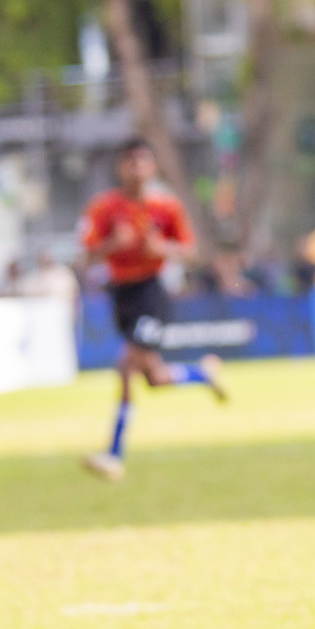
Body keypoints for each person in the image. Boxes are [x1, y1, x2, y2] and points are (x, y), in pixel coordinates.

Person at [78, 138, 225, 482]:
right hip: (121, 294)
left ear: (153, 166)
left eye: (143, 161)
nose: (137, 167)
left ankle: (114, 454)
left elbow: (191, 252)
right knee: (154, 378)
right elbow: (85, 255)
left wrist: (162, 248)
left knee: (126, 364)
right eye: (130, 161)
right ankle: (203, 374)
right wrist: (113, 244)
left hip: (151, 294)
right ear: (121, 167)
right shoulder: (104, 208)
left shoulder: (166, 207)